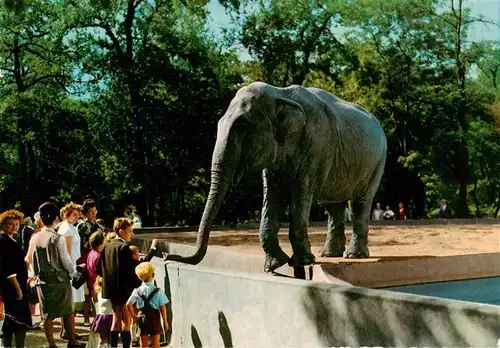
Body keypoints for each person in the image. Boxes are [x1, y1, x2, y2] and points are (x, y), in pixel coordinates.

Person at [26, 202, 84, 348]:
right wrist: (74, 273)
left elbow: (28, 258)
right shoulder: (57, 238)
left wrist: (34, 273)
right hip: (59, 279)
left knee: (46, 314)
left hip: (42, 280)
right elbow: (65, 260)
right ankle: (72, 341)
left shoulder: (34, 238)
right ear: (56, 218)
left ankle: (51, 344)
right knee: (68, 311)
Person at [97, 218, 137, 348]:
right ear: (121, 231)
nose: (131, 234)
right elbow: (128, 272)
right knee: (127, 321)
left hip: (110, 289)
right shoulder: (124, 247)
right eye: (130, 231)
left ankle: (112, 346)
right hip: (123, 291)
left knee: (116, 320)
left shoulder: (106, 246)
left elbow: (99, 268)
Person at [0, 210, 32, 348]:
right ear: (3, 225)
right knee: (17, 320)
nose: (14, 227)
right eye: (10, 224)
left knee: (13, 320)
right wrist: (18, 289)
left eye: (16, 224)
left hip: (17, 285)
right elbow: (8, 269)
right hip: (13, 287)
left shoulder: (11, 240)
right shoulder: (4, 241)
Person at [126, 262, 168, 348]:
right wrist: (165, 321)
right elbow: (162, 307)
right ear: (152, 275)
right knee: (156, 344)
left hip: (142, 318)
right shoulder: (158, 291)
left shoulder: (137, 291)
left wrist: (134, 316)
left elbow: (128, 304)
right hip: (154, 318)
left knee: (143, 344)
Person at [88, 276, 113, 348]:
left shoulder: (98, 293)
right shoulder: (99, 293)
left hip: (106, 316)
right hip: (104, 317)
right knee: (104, 338)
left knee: (109, 339)